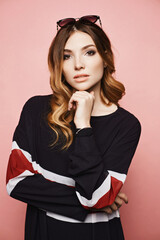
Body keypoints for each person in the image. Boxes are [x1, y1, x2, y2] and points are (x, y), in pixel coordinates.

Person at [6, 15, 141, 240]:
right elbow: (16, 183)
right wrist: (99, 201)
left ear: (105, 58)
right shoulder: (36, 109)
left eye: (89, 52)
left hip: (99, 233)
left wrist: (83, 125)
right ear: (59, 66)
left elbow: (96, 198)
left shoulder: (126, 125)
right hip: (46, 232)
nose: (78, 64)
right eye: (66, 56)